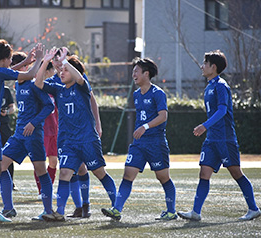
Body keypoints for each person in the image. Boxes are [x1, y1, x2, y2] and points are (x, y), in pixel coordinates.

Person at [177, 50, 261, 221]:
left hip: (225, 139)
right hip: (211, 140)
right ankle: (196, 212)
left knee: (236, 173)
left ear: (213, 67)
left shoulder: (221, 86)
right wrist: (207, 129)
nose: (202, 66)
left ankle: (253, 208)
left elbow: (222, 110)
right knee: (203, 173)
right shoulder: (209, 87)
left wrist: (204, 125)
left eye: (205, 63)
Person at [34, 48, 116, 221]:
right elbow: (38, 83)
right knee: (64, 173)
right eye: (60, 70)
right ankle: (60, 212)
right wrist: (45, 62)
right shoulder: (59, 89)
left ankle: (117, 206)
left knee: (99, 172)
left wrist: (65, 62)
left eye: (65, 70)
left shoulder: (82, 86)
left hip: (87, 139)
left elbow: (79, 77)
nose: (61, 72)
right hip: (68, 141)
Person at [0, 40, 44, 224]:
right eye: (10, 58)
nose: (11, 61)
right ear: (4, 59)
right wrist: (39, 60)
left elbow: (11, 70)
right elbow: (30, 75)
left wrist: (26, 60)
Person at [101, 58, 177, 221]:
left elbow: (163, 116)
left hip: (156, 142)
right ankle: (117, 209)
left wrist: (145, 127)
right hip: (139, 144)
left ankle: (171, 211)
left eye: (136, 71)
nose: (133, 74)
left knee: (163, 177)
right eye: (133, 71)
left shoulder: (158, 93)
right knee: (128, 174)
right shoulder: (136, 94)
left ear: (146, 74)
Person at [0, 51, 55, 220]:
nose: (18, 73)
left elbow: (49, 106)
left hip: (33, 135)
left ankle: (48, 211)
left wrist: (34, 123)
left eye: (23, 68)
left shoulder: (34, 85)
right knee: (0, 165)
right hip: (18, 135)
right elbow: (6, 75)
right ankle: (8, 208)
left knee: (41, 171)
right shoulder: (18, 85)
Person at [34, 61, 58, 200]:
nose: (54, 72)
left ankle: (48, 189)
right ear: (47, 71)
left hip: (54, 129)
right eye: (53, 69)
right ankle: (41, 191)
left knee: (53, 161)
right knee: (40, 162)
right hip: (42, 130)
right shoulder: (37, 87)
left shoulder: (53, 87)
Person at [0, 86, 17, 191]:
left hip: (4, 125)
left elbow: (12, 107)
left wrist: (6, 111)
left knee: (8, 153)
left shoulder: (5, 90)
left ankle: (10, 181)